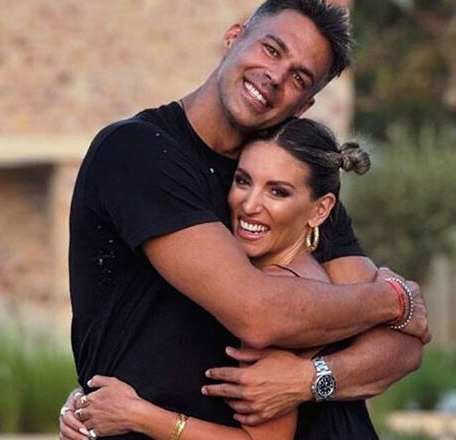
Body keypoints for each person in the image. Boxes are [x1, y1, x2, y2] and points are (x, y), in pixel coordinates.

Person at [60, 2, 430, 440]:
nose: (275, 76)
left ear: (304, 105)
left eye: (298, 78)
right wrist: (393, 300)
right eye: (272, 49)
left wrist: (308, 379)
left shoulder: (293, 179)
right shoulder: (138, 153)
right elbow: (257, 314)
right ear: (234, 37)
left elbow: (403, 346)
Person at [67, 118, 386, 439]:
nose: (250, 205)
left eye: (277, 192)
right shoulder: (300, 277)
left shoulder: (280, 302)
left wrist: (137, 415)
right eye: (243, 181)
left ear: (320, 210)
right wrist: (89, 405)